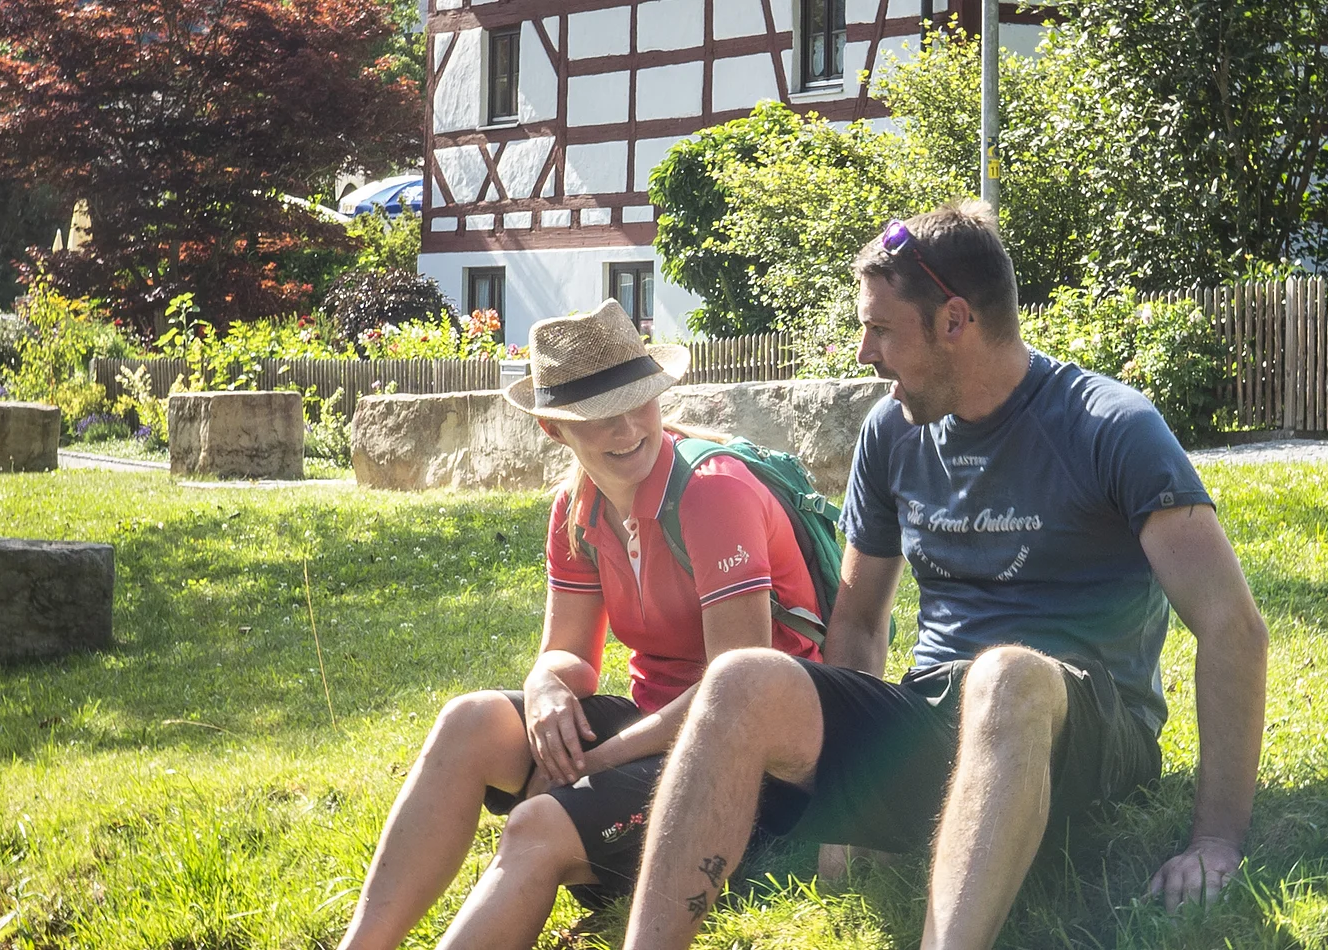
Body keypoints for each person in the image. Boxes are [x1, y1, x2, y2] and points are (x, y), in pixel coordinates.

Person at [616, 202, 1272, 950]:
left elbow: (1232, 627)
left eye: (881, 329)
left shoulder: (1109, 426)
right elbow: (859, 620)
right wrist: (848, 797)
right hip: (939, 716)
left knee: (1004, 675)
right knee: (738, 679)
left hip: (1087, 730)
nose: (864, 351)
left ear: (955, 321)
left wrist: (1215, 839)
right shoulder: (892, 433)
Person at [336, 300, 827, 950]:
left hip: (752, 773)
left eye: (639, 401)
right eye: (599, 413)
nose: (627, 428)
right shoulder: (577, 506)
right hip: (658, 736)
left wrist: (591, 763)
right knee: (468, 721)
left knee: (535, 826)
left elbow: (736, 697)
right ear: (554, 427)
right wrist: (544, 685)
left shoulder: (713, 492)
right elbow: (570, 657)